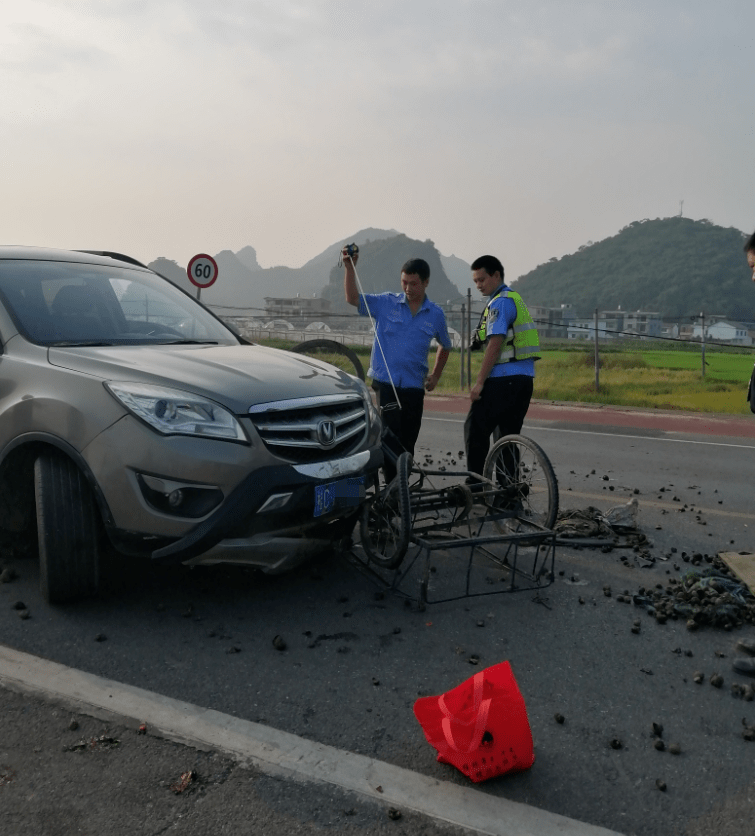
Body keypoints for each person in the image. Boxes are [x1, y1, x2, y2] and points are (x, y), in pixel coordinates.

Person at [343, 249, 452, 480]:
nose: (408, 288)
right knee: (390, 438)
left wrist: (435, 376)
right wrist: (349, 268)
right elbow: (353, 298)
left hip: (414, 387)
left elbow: (446, 345)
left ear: (426, 282)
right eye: (404, 282)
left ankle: (400, 488)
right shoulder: (386, 303)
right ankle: (392, 493)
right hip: (386, 383)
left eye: (413, 283)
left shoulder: (435, 314)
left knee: (408, 443)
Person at [464, 254, 540, 486]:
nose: (478, 285)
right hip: (523, 381)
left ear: (496, 275)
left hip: (503, 380)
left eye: (482, 279)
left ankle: (475, 485)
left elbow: (495, 344)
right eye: (475, 281)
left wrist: (479, 382)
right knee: (506, 437)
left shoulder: (499, 303)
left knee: (475, 428)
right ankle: (509, 493)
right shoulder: (514, 298)